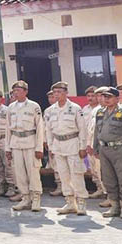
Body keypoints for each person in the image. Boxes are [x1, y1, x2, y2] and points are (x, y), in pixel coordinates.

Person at [44, 81, 89, 215]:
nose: (57, 95)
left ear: (66, 93)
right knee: (63, 175)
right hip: (58, 145)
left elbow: (82, 129)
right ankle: (70, 202)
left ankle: (81, 202)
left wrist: (82, 146)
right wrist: (51, 147)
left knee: (76, 174)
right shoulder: (50, 110)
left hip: (73, 143)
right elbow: (48, 130)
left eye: (60, 92)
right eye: (55, 92)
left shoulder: (75, 108)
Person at [94, 87, 122, 219]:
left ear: (117, 99)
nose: (106, 99)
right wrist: (96, 148)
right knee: (108, 179)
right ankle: (114, 206)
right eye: (104, 96)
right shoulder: (100, 113)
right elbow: (97, 132)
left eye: (109, 97)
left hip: (119, 150)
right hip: (104, 150)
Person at [6, 80, 45, 212]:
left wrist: (39, 148)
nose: (16, 93)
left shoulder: (34, 106)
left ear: (25, 91)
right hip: (16, 142)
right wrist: (8, 148)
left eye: (18, 90)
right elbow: (7, 129)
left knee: (33, 172)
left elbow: (40, 127)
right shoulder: (11, 107)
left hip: (30, 142)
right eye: (14, 90)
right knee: (19, 172)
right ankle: (25, 198)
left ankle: (36, 198)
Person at [81, 86, 105, 198]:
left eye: (94, 96)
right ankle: (99, 188)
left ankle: (108, 193)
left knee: (102, 169)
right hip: (89, 142)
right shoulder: (85, 110)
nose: (91, 98)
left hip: (100, 144)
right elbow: (87, 129)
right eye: (89, 96)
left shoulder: (104, 109)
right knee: (93, 168)